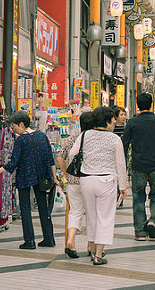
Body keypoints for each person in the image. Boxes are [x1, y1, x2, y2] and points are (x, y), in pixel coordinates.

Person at [0, 111, 57, 250]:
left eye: (14, 126)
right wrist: (54, 177)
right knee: (43, 208)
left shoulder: (21, 140)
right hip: (42, 177)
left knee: (25, 209)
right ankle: (49, 238)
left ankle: (29, 241)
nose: (13, 129)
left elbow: (13, 163)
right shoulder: (42, 136)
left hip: (24, 178)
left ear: (22, 124)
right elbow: (50, 159)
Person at [68, 106, 127, 265]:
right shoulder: (114, 139)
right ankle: (98, 255)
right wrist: (123, 186)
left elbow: (72, 154)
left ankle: (92, 249)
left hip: (86, 180)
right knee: (105, 218)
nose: (114, 123)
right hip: (106, 181)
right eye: (113, 120)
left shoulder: (85, 135)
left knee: (92, 217)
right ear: (108, 122)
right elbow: (121, 164)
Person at [122, 92, 155, 242]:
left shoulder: (132, 122)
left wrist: (123, 164)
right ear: (151, 104)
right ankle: (153, 221)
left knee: (138, 198)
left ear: (137, 104)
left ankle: (140, 232)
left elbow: (124, 144)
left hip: (138, 166)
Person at [56, 109, 94, 258]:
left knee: (75, 212)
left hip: (73, 182)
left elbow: (60, 158)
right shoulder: (94, 140)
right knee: (91, 213)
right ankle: (91, 245)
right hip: (89, 180)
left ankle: (70, 240)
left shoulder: (73, 138)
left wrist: (66, 173)